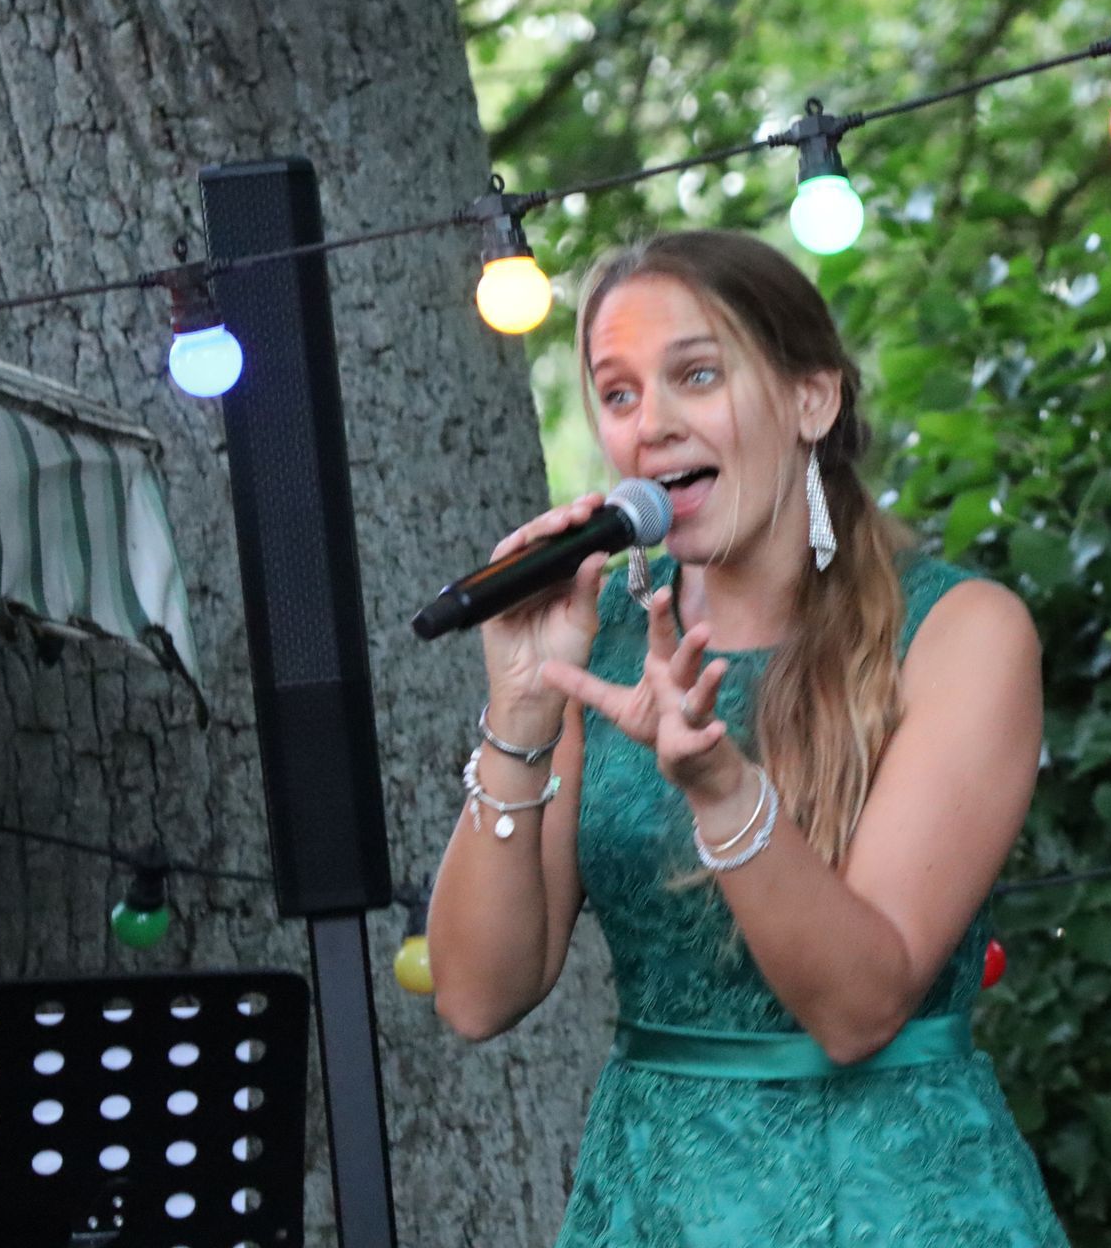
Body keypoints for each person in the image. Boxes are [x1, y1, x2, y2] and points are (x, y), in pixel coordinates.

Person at [427, 229, 1069, 1246]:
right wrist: (520, 706)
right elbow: (475, 992)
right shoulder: (607, 643)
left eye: (696, 375)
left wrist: (722, 786)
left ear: (812, 400)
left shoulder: (960, 632)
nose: (653, 425)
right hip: (658, 1203)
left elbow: (859, 1010)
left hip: (895, 1202)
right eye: (621, 393)